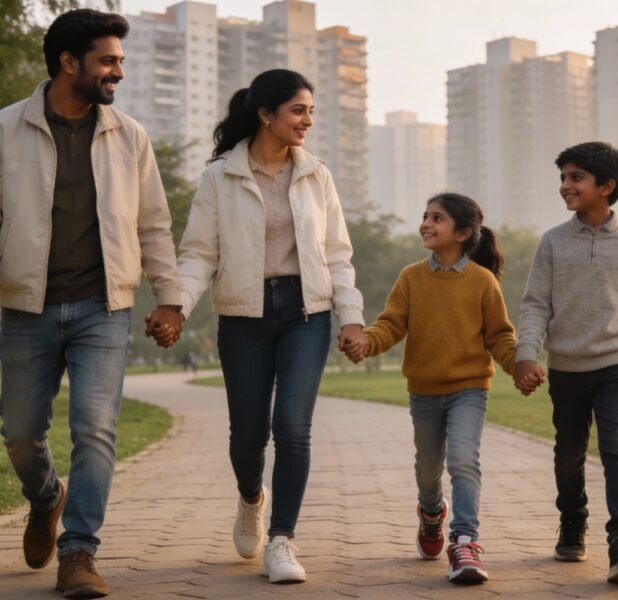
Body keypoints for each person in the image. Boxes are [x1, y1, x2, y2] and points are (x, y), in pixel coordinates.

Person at [0, 9, 183, 598]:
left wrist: (171, 299)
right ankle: (46, 496)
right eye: (108, 61)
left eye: (120, 62)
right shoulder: (4, 130)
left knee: (95, 430)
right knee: (21, 434)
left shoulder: (129, 137)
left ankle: (79, 552)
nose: (118, 73)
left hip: (103, 307)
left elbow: (154, 225)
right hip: (23, 307)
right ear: (68, 63)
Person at [164, 69, 366, 584]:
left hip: (307, 312)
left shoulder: (316, 174)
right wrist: (177, 305)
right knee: (248, 435)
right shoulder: (220, 176)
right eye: (298, 110)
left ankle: (282, 541)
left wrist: (352, 318)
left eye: (311, 111)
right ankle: (252, 496)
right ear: (265, 114)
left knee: (292, 428)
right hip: (244, 315)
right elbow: (198, 254)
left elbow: (338, 255)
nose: (308, 120)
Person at [342, 193, 517, 584]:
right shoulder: (411, 277)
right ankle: (431, 511)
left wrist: (519, 365)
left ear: (464, 232)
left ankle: (465, 541)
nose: (426, 223)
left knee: (463, 460)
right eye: (425, 216)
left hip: (470, 387)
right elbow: (390, 324)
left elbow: (500, 336)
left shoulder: (483, 281)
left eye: (437, 218)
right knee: (427, 469)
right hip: (423, 390)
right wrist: (366, 342)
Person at [514, 141, 618, 584]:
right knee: (568, 453)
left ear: (606, 186)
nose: (565, 186)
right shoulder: (552, 242)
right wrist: (527, 354)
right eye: (563, 177)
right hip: (566, 366)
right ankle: (572, 521)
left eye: (575, 177)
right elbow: (535, 304)